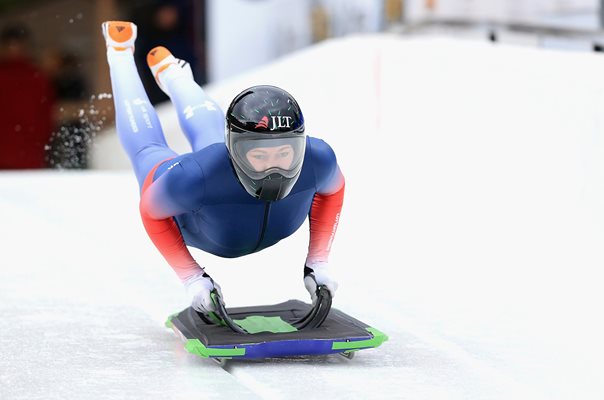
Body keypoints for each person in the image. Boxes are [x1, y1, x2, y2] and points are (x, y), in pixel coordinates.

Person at [102, 21, 345, 314]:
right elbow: (150, 210)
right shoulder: (192, 177)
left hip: (219, 180)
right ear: (236, 151)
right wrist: (191, 276)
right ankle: (120, 53)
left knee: (209, 132)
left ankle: (176, 77)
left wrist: (318, 260)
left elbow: (334, 190)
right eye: (260, 155)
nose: (273, 168)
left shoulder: (318, 158)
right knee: (147, 149)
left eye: (284, 152)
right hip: (195, 202)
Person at [0, 23, 55, 169]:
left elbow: (46, 115)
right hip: (30, 154)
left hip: (26, 152)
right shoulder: (38, 77)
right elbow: (46, 116)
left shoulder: (37, 77)